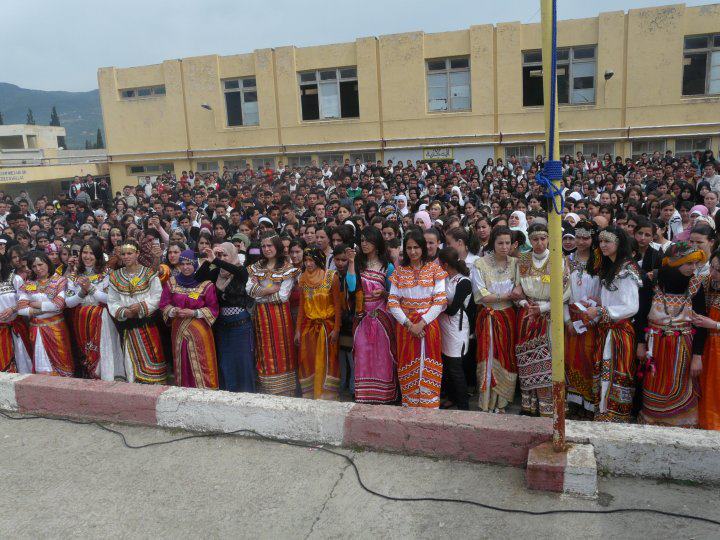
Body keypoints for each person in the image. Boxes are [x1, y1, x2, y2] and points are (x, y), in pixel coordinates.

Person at [635, 242, 706, 427]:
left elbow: (701, 323)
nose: (693, 268)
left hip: (683, 348)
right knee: (653, 387)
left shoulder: (696, 285)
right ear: (675, 262)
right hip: (654, 347)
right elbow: (641, 314)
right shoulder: (651, 280)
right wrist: (640, 344)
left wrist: (697, 356)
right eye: (689, 263)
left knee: (682, 389)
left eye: (696, 264)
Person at [583, 227, 641, 422]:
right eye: (601, 241)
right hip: (608, 328)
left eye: (608, 241)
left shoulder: (627, 270)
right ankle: (603, 413)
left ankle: (614, 416)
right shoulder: (612, 266)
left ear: (619, 243)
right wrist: (598, 303)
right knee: (605, 372)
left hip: (619, 331)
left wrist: (601, 311)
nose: (603, 245)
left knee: (616, 372)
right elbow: (614, 300)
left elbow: (631, 306)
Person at [513, 222, 569, 416]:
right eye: (535, 239)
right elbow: (517, 288)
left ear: (549, 239)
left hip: (549, 314)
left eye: (543, 238)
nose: (539, 243)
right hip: (527, 314)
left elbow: (566, 291)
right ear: (529, 240)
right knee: (527, 358)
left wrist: (544, 307)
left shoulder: (557, 258)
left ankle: (550, 407)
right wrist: (524, 304)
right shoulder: (524, 259)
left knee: (550, 359)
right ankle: (530, 406)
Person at [388, 229, 447, 408]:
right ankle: (410, 405)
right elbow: (392, 302)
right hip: (406, 327)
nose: (413, 251)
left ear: (423, 248)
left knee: (429, 362)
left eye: (416, 247)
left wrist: (421, 323)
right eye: (409, 248)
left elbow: (440, 301)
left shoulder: (435, 269)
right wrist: (409, 325)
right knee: (408, 362)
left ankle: (430, 407)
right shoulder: (399, 272)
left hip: (428, 325)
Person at [346, 226, 397, 404]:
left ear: (377, 243)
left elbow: (394, 294)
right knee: (362, 354)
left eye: (368, 240)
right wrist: (351, 262)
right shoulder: (358, 264)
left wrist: (383, 294)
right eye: (362, 241)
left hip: (382, 317)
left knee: (382, 356)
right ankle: (365, 394)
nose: (364, 244)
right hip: (362, 316)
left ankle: (384, 395)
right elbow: (352, 287)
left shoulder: (388, 266)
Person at [472, 226, 519, 413]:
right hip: (488, 316)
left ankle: (502, 402)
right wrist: (507, 296)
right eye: (500, 243)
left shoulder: (516, 263)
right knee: (488, 354)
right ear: (493, 243)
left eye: (508, 243)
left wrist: (506, 295)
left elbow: (519, 290)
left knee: (506, 356)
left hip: (508, 317)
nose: (505, 247)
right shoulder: (480, 264)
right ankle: (486, 401)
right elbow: (482, 295)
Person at [196, 242, 254, 392]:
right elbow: (198, 278)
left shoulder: (241, 271)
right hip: (222, 325)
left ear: (233, 255)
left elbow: (235, 270)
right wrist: (209, 261)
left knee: (242, 362)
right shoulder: (217, 273)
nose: (221, 258)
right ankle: (229, 396)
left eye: (224, 255)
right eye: (219, 255)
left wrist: (215, 259)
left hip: (240, 325)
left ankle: (247, 396)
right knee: (225, 362)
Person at [107, 239, 166, 384]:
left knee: (153, 357)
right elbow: (112, 300)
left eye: (129, 253)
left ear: (137, 254)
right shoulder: (115, 276)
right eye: (123, 254)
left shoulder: (149, 273)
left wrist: (142, 306)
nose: (126, 256)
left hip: (147, 325)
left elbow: (158, 296)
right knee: (130, 361)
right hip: (128, 326)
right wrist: (123, 311)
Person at [247, 233, 299, 396]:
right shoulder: (256, 266)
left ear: (277, 246)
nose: (267, 249)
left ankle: (285, 392)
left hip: (280, 317)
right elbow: (249, 290)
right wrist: (269, 290)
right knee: (264, 349)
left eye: (270, 245)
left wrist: (259, 293)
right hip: (261, 316)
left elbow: (283, 295)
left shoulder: (287, 268)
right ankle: (267, 389)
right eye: (263, 246)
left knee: (282, 349)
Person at [65, 238, 124, 380]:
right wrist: (82, 293)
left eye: (91, 253)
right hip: (81, 319)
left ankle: (107, 378)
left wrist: (91, 289)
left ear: (98, 255)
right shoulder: (73, 276)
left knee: (104, 348)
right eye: (84, 252)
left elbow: (110, 298)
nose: (87, 256)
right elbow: (68, 302)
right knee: (85, 350)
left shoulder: (107, 273)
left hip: (101, 318)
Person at [160, 250, 220, 389]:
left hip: (200, 331)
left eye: (189, 264)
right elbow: (163, 304)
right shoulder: (172, 282)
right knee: (182, 360)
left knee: (203, 361)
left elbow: (213, 309)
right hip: (178, 330)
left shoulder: (206, 284)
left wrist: (194, 313)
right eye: (182, 264)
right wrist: (174, 310)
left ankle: (206, 393)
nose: (186, 267)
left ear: (196, 264)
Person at [564, 220, 602, 416]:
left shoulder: (599, 261)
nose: (580, 241)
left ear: (592, 238)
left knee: (588, 359)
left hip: (592, 318)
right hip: (571, 319)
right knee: (570, 359)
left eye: (585, 238)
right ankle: (573, 402)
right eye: (577, 237)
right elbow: (562, 292)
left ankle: (589, 403)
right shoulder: (566, 260)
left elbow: (604, 293)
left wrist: (593, 316)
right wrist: (567, 320)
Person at [295, 247, 342, 399]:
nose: (308, 264)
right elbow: (302, 308)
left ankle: (326, 396)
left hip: (326, 328)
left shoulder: (331, 277)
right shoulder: (302, 279)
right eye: (306, 260)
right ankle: (310, 396)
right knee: (308, 359)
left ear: (319, 261)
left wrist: (336, 329)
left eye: (311, 260)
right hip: (309, 328)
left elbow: (337, 306)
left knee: (327, 361)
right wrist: (297, 331)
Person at [17, 251, 73, 376]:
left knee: (63, 362)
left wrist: (36, 305)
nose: (38, 269)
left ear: (47, 263)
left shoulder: (60, 280)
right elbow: (21, 309)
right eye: (34, 266)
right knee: (42, 366)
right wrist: (46, 308)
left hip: (56, 329)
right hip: (36, 330)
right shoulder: (28, 284)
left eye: (40, 264)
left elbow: (59, 305)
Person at [437, 247, 472, 410]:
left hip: (456, 328)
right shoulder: (444, 279)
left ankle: (464, 405)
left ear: (444, 264)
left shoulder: (463, 281)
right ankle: (451, 397)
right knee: (447, 364)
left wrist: (440, 302)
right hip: (443, 327)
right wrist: (444, 302)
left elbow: (453, 309)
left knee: (455, 367)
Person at [693, 249, 720, 430]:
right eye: (712, 267)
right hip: (703, 345)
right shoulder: (703, 282)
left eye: (718, 270)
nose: (713, 273)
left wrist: (715, 325)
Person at [0, 255, 32, 374]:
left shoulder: (14, 278)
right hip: (0, 330)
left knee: (23, 359)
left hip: (16, 327)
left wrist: (12, 309)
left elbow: (26, 299)